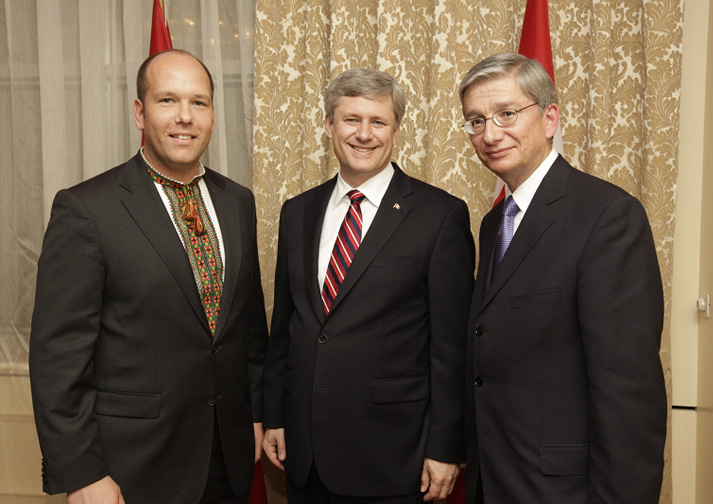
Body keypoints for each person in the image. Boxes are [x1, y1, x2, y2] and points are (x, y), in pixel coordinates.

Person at [28, 49, 268, 504]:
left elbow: (248, 327)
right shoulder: (87, 209)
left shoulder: (237, 202)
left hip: (228, 459)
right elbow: (57, 358)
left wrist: (253, 415)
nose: (184, 117)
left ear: (213, 116)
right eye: (167, 101)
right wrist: (82, 473)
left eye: (198, 102)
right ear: (140, 112)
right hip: (131, 471)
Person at [458, 53, 667, 503]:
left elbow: (627, 394)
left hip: (563, 490)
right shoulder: (494, 224)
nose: (490, 134)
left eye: (506, 114)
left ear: (550, 117)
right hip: (493, 481)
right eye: (476, 121)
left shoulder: (607, 217)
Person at [262, 68, 475, 503]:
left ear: (396, 130)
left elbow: (451, 348)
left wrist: (445, 447)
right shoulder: (297, 212)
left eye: (377, 122)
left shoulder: (439, 215)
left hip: (394, 458)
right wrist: (275, 416)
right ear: (329, 126)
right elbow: (285, 327)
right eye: (350, 120)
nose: (364, 134)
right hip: (305, 456)